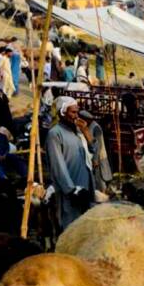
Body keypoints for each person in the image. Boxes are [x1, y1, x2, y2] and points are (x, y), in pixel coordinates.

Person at [46, 97, 95, 230]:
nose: (76, 116)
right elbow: (58, 166)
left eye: (77, 112)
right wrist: (71, 190)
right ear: (63, 113)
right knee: (70, 225)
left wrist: (85, 131)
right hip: (70, 189)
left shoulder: (78, 131)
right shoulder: (55, 134)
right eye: (73, 112)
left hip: (85, 186)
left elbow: (92, 151)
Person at [79, 110, 112, 192]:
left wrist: (95, 159)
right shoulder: (86, 127)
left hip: (99, 156)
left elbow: (99, 144)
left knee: (100, 176)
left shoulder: (96, 127)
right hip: (90, 155)